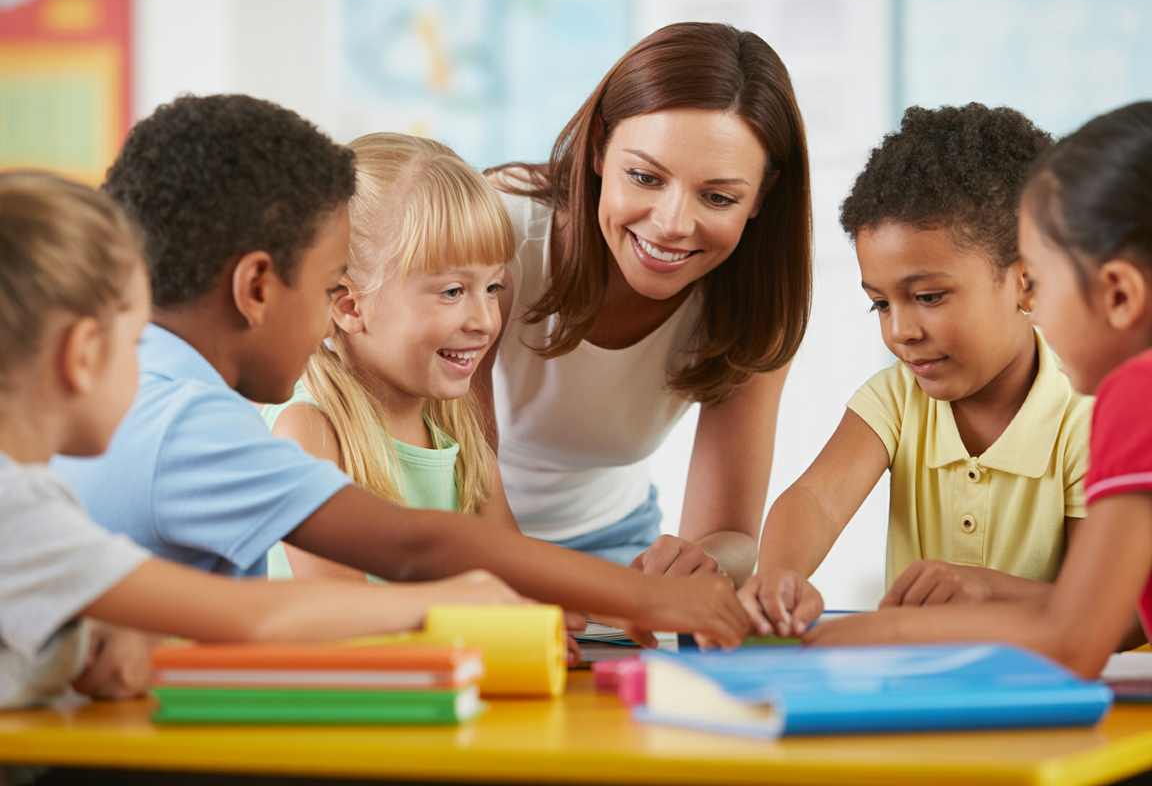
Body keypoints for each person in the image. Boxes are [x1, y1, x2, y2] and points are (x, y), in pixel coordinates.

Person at [50, 95, 750, 667]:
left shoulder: (156, 388)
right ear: (262, 286)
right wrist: (633, 596)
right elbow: (410, 548)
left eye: (494, 288)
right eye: (328, 286)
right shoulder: (196, 422)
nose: (333, 312)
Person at [0, 171, 523, 709]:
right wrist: (452, 603)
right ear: (82, 354)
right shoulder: (19, 508)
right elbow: (256, 615)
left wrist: (96, 643)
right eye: (136, 342)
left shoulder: (29, 499)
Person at [806, 101, 1152, 677]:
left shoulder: (1135, 398)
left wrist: (888, 630)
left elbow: (1077, 634)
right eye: (880, 304)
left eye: (1039, 279)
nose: (1034, 303)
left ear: (1118, 295)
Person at [738, 104, 1091, 638]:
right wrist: (779, 574)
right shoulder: (896, 400)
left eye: (928, 296)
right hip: (922, 687)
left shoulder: (1085, 416)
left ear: (1026, 282)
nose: (900, 331)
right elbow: (815, 500)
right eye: (880, 303)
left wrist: (985, 587)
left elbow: (1109, 607)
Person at [483, 22, 812, 583]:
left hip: (615, 541)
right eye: (644, 176)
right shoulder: (495, 230)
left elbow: (730, 535)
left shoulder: (755, 302)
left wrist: (699, 564)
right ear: (597, 150)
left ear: (760, 198)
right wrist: (532, 586)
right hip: (462, 530)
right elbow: (454, 474)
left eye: (718, 197)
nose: (672, 225)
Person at [264, 132, 520, 582]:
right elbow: (346, 624)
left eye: (493, 287)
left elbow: (519, 575)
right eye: (453, 291)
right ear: (349, 307)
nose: (485, 320)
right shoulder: (308, 431)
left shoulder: (456, 425)